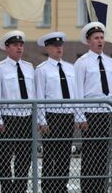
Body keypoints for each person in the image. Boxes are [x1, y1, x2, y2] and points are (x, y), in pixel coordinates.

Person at [35, 32, 78, 193]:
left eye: (60, 46)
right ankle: (48, 187)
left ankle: (62, 187)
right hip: (52, 116)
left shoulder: (70, 68)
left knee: (65, 155)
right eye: (54, 46)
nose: (58, 48)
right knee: (50, 155)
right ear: (48, 48)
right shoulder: (42, 70)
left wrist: (76, 115)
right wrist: (42, 120)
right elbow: (39, 96)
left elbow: (75, 94)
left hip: (68, 116)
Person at [0, 30, 35, 193]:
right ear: (7, 48)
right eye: (15, 45)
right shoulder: (0, 68)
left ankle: (20, 188)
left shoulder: (29, 67)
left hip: (26, 117)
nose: (19, 48)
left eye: (21, 45)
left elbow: (33, 94)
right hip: (9, 117)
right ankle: (6, 189)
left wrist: (36, 118)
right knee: (6, 157)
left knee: (24, 157)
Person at [75, 22, 112, 193]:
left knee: (104, 154)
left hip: (107, 112)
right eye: (96, 38)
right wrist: (80, 116)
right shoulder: (82, 63)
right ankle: (88, 189)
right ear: (88, 41)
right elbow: (77, 91)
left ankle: (101, 188)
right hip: (91, 114)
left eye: (102, 38)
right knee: (91, 155)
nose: (100, 41)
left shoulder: (109, 62)